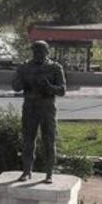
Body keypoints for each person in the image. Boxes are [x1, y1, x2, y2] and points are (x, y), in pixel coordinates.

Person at [11, 40, 66, 183]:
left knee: (49, 140)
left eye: (41, 52)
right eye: (35, 51)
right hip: (30, 106)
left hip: (47, 106)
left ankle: (49, 173)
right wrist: (23, 81)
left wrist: (49, 87)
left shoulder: (55, 68)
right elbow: (15, 86)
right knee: (28, 141)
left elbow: (62, 90)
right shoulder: (24, 67)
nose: (38, 54)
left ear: (47, 52)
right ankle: (26, 171)